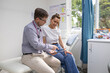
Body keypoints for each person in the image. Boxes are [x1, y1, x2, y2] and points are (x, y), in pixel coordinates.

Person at [21, 8, 61, 73]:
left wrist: (49, 51)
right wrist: (50, 46)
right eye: (44, 20)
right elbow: (36, 45)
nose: (45, 22)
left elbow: (41, 44)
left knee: (57, 63)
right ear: (37, 19)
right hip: (30, 56)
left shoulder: (39, 28)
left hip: (40, 54)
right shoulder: (29, 28)